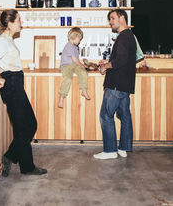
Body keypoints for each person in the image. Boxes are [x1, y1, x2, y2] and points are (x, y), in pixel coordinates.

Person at [0, 10, 47, 176]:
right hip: (13, 85)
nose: (21, 23)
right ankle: (26, 166)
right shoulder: (2, 42)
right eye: (19, 20)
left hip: (16, 84)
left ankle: (11, 157)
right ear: (10, 23)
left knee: (27, 125)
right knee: (26, 126)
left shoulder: (8, 40)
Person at [93, 9, 137, 159]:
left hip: (116, 84)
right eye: (109, 19)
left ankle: (110, 151)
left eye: (112, 18)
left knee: (105, 115)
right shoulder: (129, 36)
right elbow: (123, 59)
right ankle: (123, 148)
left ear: (122, 17)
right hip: (125, 84)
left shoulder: (124, 37)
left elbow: (122, 60)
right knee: (124, 116)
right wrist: (108, 62)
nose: (110, 22)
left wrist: (106, 66)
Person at [58, 27, 90, 108]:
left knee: (83, 72)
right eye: (79, 39)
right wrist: (82, 65)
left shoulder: (74, 47)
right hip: (66, 65)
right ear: (74, 37)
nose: (80, 41)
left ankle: (84, 90)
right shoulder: (69, 46)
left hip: (74, 65)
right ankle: (61, 97)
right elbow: (75, 59)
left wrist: (82, 66)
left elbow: (76, 61)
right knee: (68, 78)